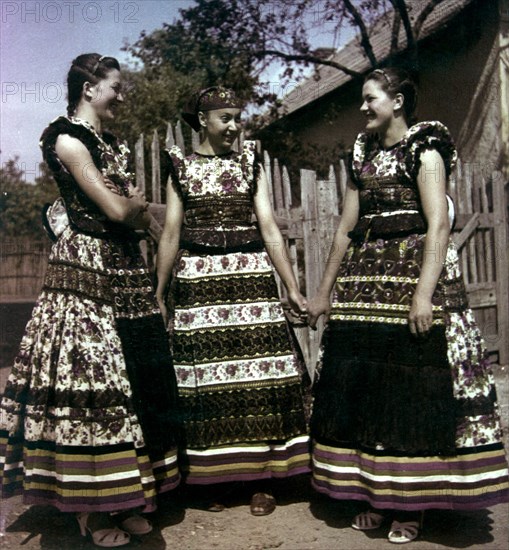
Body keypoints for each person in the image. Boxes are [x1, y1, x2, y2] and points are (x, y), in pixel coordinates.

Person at [307, 67, 509, 544]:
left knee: (412, 388)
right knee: (370, 388)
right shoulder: (362, 153)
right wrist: (323, 292)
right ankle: (378, 494)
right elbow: (344, 228)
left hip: (413, 277)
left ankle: (412, 505)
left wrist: (423, 294)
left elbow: (438, 225)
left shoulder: (428, 147)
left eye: (370, 98)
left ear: (396, 101)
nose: (363, 107)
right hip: (364, 285)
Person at [0, 53, 181, 548]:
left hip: (123, 265)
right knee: (95, 377)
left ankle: (127, 499)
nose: (122, 96)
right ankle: (93, 511)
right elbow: (118, 207)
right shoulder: (65, 138)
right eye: (115, 87)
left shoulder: (110, 143)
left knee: (136, 372)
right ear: (89, 89)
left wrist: (138, 209)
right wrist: (138, 206)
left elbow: (132, 212)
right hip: (85, 270)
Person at [156, 86, 311, 516]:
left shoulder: (251, 162)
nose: (234, 126)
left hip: (250, 283)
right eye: (225, 118)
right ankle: (215, 478)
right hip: (198, 285)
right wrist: (159, 291)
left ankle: (262, 481)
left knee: (255, 378)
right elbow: (170, 233)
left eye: (238, 117)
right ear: (203, 121)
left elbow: (269, 228)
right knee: (207, 381)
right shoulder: (180, 166)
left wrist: (292, 288)